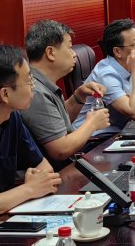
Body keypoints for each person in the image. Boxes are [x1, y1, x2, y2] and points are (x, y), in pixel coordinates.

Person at [21, 21, 110, 166]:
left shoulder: (43, 84)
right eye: (69, 48)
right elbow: (60, 150)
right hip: (54, 173)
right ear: (50, 53)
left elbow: (56, 123)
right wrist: (92, 124)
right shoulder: (36, 92)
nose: (74, 54)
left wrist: (78, 97)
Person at [0, 45, 61, 215]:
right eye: (28, 81)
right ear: (5, 94)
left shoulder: (13, 118)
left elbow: (46, 170)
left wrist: (35, 182)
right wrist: (30, 189)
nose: (33, 86)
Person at [72, 19, 135, 135]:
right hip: (95, 136)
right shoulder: (106, 74)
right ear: (118, 51)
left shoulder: (134, 64)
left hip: (121, 128)